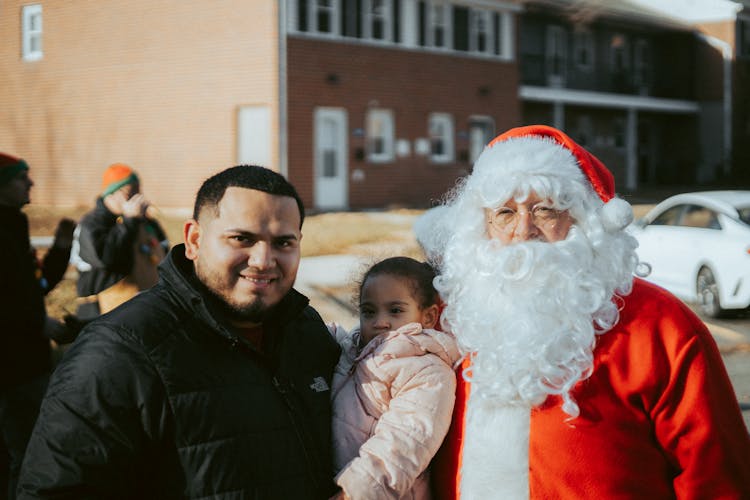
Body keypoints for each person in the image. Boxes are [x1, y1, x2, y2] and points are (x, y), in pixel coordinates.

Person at [414, 125, 750, 499]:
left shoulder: (659, 323)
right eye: (505, 213)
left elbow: (716, 475)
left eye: (545, 210)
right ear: (482, 226)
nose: (525, 231)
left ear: (584, 220)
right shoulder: (450, 317)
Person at [18, 165, 341, 499]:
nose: (263, 259)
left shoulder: (308, 331)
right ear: (194, 240)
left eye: (283, 242)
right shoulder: (121, 351)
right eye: (242, 238)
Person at [329, 257, 460, 499]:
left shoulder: (426, 370)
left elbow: (406, 441)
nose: (380, 322)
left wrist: (358, 492)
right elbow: (327, 337)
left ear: (429, 317)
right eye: (369, 311)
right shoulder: (353, 350)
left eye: (395, 310)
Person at [0, 153, 75, 499]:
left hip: (28, 362)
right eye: (21, 178)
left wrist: (60, 248)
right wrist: (35, 324)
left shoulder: (14, 227)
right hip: (13, 370)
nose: (30, 183)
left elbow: (37, 287)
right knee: (26, 453)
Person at [73, 162, 168, 319]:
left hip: (142, 308)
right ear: (111, 193)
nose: (137, 199)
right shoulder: (92, 224)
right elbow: (106, 258)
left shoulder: (146, 222)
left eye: (138, 191)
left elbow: (164, 251)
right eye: (130, 192)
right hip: (102, 315)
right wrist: (129, 221)